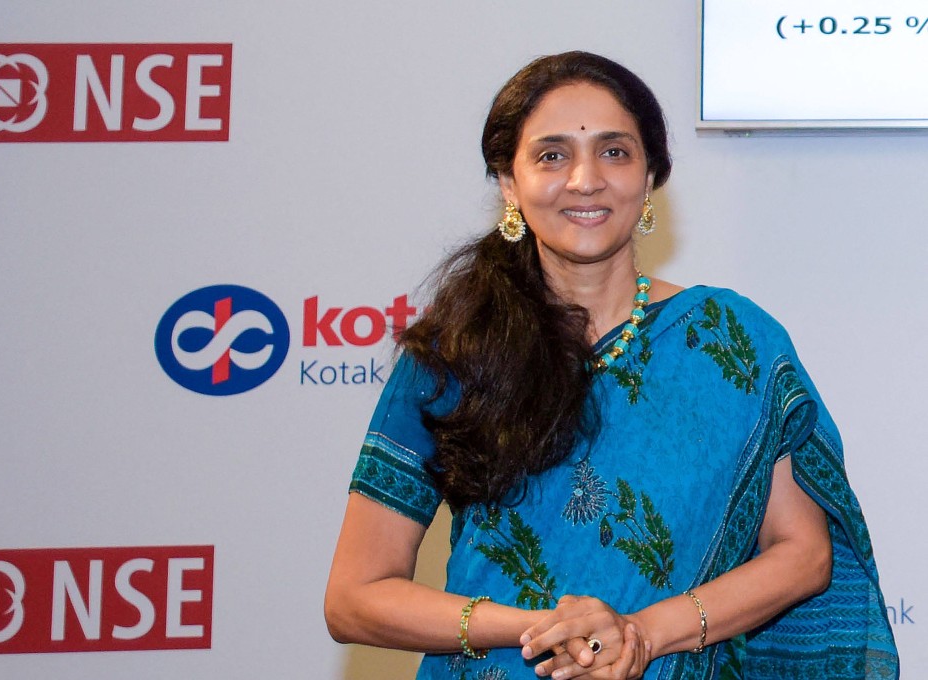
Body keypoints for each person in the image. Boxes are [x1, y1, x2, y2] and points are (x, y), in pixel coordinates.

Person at [324, 51, 899, 679]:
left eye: (614, 152)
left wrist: (642, 635)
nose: (585, 179)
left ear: (651, 176)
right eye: (551, 155)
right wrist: (538, 628)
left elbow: (803, 554)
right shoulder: (457, 352)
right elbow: (355, 598)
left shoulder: (733, 342)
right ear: (508, 184)